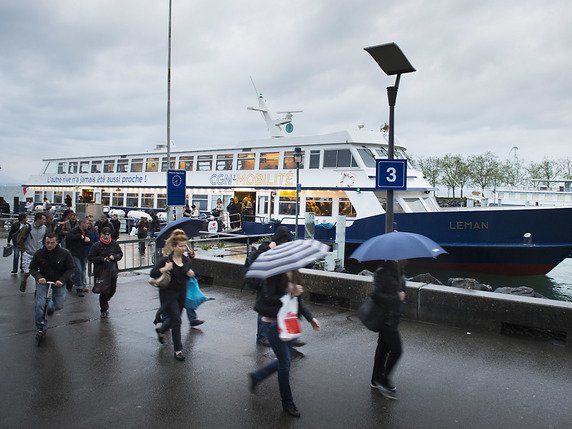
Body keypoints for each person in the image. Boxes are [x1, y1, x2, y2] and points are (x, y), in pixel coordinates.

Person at [249, 269, 320, 418]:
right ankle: (287, 402)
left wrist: (310, 318)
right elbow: (267, 298)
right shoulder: (272, 275)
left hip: (289, 323)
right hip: (273, 325)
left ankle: (257, 376)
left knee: (284, 360)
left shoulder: (295, 274)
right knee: (285, 363)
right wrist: (290, 294)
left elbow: (298, 301)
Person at [151, 231, 194, 361]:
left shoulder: (186, 260)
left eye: (185, 246)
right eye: (181, 246)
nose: (183, 248)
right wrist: (164, 269)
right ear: (174, 246)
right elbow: (153, 273)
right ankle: (178, 350)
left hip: (181, 293)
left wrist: (190, 273)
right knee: (177, 320)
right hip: (168, 294)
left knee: (176, 318)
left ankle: (162, 330)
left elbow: (185, 273)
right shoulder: (166, 260)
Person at [369, 260, 406, 400]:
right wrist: (397, 297)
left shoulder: (399, 271)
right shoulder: (382, 272)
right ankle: (384, 380)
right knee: (397, 350)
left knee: (383, 349)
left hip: (393, 318)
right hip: (386, 319)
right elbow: (375, 295)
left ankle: (375, 379)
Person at [29, 232, 75, 341]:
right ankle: (41, 328)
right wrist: (39, 277)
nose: (49, 245)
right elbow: (32, 268)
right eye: (47, 243)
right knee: (40, 305)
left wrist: (62, 280)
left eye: (52, 243)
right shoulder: (39, 253)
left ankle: (51, 306)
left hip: (59, 282)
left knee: (58, 305)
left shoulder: (65, 253)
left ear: (57, 242)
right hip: (43, 282)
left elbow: (71, 268)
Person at [88, 227, 123, 318]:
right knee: (103, 291)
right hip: (101, 272)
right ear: (101, 235)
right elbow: (91, 257)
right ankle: (103, 309)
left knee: (112, 290)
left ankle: (105, 302)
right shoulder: (96, 246)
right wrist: (102, 259)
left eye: (108, 234)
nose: (106, 236)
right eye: (104, 234)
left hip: (112, 271)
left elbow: (120, 254)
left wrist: (114, 257)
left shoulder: (114, 244)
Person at [18, 212, 46, 292]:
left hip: (39, 253)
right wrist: (24, 250)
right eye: (43, 219)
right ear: (38, 219)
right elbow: (19, 239)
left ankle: (37, 290)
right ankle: (24, 280)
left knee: (38, 273)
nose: (44, 221)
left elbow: (45, 239)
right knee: (27, 271)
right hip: (28, 252)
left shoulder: (44, 228)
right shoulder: (28, 227)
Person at [66, 217, 92, 297]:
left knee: (83, 270)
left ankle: (79, 283)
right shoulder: (74, 231)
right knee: (78, 270)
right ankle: (79, 288)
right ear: (82, 223)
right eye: (87, 223)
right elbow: (69, 237)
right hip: (74, 253)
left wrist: (88, 241)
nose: (88, 225)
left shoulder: (87, 232)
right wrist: (81, 237)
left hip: (83, 253)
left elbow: (88, 242)